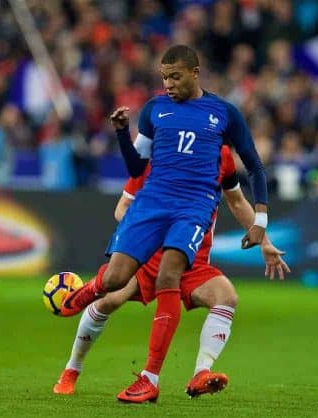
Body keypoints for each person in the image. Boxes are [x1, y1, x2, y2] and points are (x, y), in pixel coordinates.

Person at [61, 45, 269, 402]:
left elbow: (254, 168)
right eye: (164, 77)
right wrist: (121, 133)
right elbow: (136, 170)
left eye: (175, 76)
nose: (169, 84)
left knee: (177, 278)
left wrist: (261, 222)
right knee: (113, 281)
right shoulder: (155, 110)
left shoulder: (223, 114)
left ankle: (153, 377)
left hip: (192, 211)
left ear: (195, 72)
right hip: (153, 204)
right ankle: (88, 295)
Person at [54, 147, 289, 401]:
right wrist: (150, 230)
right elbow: (122, 207)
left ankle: (201, 374)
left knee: (226, 296)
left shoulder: (220, 156)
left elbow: (237, 201)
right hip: (149, 256)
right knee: (109, 299)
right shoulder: (159, 154)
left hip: (192, 260)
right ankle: (71, 370)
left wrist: (264, 242)